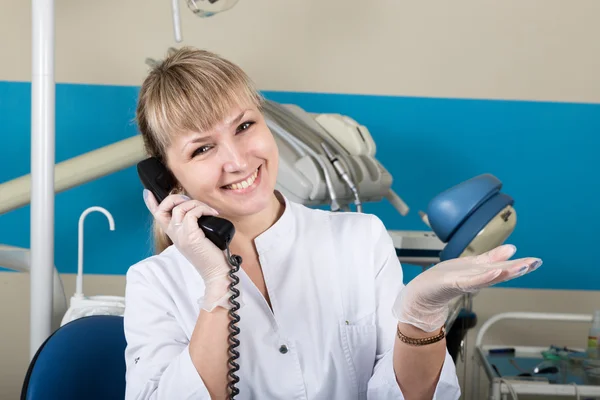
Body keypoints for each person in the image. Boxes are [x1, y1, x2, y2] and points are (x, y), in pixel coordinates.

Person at [123, 47, 542, 400]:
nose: (237, 161)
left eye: (245, 126)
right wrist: (217, 286)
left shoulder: (359, 240)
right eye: (202, 150)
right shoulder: (155, 283)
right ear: (167, 179)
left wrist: (422, 318)